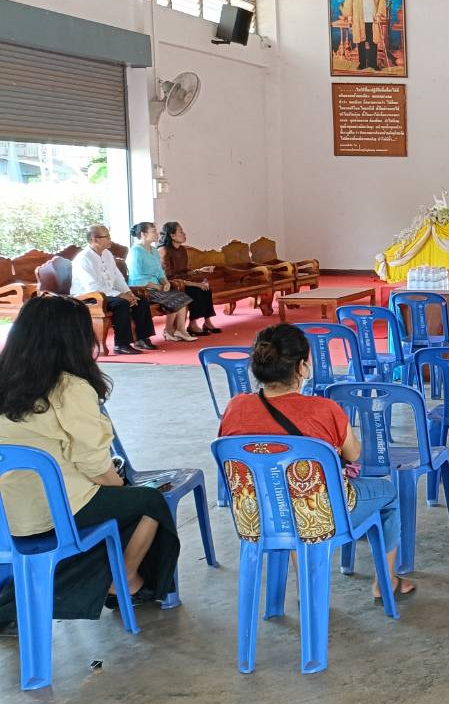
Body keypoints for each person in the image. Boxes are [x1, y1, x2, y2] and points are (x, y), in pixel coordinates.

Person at [0, 295, 179, 625]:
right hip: (58, 511)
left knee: (123, 502)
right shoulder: (69, 386)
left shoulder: (6, 379)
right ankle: (123, 581)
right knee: (150, 501)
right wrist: (123, 487)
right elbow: (94, 464)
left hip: (9, 518)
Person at [219, 324, 414, 602]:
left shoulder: (235, 408)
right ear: (302, 367)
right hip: (319, 517)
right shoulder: (324, 410)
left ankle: (306, 589)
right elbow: (354, 454)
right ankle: (387, 582)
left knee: (287, 496)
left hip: (259, 517)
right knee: (388, 494)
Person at [71, 225, 157, 355]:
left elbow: (117, 277)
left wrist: (128, 292)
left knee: (140, 300)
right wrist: (120, 295)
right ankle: (121, 344)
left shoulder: (107, 254)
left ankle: (142, 338)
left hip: (107, 294)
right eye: (107, 236)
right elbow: (93, 287)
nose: (110, 239)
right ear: (95, 240)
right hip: (89, 297)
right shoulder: (83, 259)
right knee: (121, 303)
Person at [125, 222, 194, 343]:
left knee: (181, 296)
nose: (157, 233)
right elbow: (136, 277)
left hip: (157, 287)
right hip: (143, 289)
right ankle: (168, 331)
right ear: (143, 234)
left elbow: (159, 271)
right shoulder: (135, 251)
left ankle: (180, 330)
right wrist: (156, 286)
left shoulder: (154, 250)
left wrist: (165, 282)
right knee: (175, 298)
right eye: (153, 231)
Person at [158, 221, 220, 335]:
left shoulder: (182, 249)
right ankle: (193, 324)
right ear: (172, 235)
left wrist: (199, 270)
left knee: (205, 288)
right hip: (172, 284)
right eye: (180, 231)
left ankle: (207, 321)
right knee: (196, 290)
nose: (184, 234)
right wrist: (194, 283)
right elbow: (169, 276)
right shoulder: (164, 251)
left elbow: (184, 271)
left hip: (183, 281)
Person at [342, 0, 391, 71]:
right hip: (359, 17)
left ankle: (373, 64)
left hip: (372, 17)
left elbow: (382, 0)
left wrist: (379, 14)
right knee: (361, 41)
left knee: (373, 41)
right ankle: (362, 63)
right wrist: (349, 15)